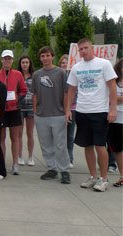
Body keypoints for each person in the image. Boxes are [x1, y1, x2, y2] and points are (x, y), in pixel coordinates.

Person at [66, 38, 117, 192]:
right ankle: (93, 177)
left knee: (100, 146)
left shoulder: (104, 64)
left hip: (100, 111)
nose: (83, 51)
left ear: (92, 48)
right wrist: (68, 109)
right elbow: (71, 90)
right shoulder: (76, 67)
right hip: (82, 111)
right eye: (80, 49)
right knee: (86, 146)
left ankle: (104, 178)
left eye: (86, 48)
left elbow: (112, 87)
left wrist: (112, 109)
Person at [32, 46, 71, 184]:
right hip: (42, 115)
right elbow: (35, 94)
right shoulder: (37, 74)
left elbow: (66, 93)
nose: (45, 58)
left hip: (58, 113)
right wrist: (35, 111)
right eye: (42, 56)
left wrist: (66, 110)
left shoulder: (60, 73)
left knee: (60, 144)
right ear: (40, 58)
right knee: (46, 144)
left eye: (48, 55)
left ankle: (64, 170)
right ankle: (52, 168)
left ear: (52, 56)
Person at [0, 50, 27, 175]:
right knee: (1, 138)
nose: (7, 61)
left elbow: (23, 90)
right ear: (1, 60)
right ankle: (2, 163)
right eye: (5, 59)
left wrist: (17, 99)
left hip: (14, 109)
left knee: (15, 137)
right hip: (1, 110)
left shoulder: (18, 74)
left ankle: (15, 164)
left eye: (9, 59)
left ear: (12, 60)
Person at [17, 55, 35, 166]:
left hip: (31, 107)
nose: (24, 64)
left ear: (29, 64)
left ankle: (31, 156)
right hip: (19, 106)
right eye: (23, 62)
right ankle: (19, 156)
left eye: (26, 62)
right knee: (19, 134)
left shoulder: (34, 76)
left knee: (30, 133)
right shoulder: (18, 75)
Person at [58, 54, 75, 169]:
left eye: (67, 62)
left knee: (69, 135)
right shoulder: (58, 76)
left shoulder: (74, 77)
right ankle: (59, 158)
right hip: (58, 110)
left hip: (72, 109)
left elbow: (75, 93)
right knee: (59, 136)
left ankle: (70, 158)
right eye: (63, 63)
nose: (65, 64)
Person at [109, 58, 123, 187]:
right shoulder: (113, 82)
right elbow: (108, 97)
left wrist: (115, 98)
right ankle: (122, 176)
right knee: (118, 149)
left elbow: (113, 98)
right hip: (115, 119)